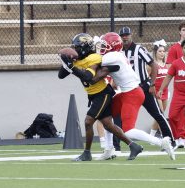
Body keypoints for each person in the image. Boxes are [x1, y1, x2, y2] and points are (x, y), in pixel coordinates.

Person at [59, 33, 142, 161]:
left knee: (88, 122)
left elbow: (88, 77)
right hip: (94, 95)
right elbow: (61, 75)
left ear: (85, 47)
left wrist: (71, 66)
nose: (75, 50)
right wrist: (66, 62)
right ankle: (134, 146)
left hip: (103, 94)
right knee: (108, 124)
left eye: (77, 47)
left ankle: (87, 153)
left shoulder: (93, 58)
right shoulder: (78, 59)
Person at [97, 32, 175, 159]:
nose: (102, 47)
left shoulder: (112, 56)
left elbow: (96, 63)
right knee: (105, 116)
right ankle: (109, 149)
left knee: (128, 130)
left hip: (132, 94)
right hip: (128, 92)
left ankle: (161, 142)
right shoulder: (117, 54)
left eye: (105, 45)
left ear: (113, 45)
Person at [119, 26, 175, 145]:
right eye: (122, 36)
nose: (125, 37)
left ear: (131, 35)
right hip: (129, 90)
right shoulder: (120, 52)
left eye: (126, 35)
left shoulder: (138, 49)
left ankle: (170, 140)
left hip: (143, 87)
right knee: (119, 117)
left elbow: (153, 65)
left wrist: (152, 83)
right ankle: (116, 145)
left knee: (158, 114)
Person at [151, 42, 171, 133]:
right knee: (161, 114)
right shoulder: (152, 65)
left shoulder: (166, 65)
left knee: (160, 115)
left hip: (165, 92)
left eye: (163, 51)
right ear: (155, 52)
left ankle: (151, 135)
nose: (162, 53)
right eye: (160, 51)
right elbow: (148, 78)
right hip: (156, 92)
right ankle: (165, 135)